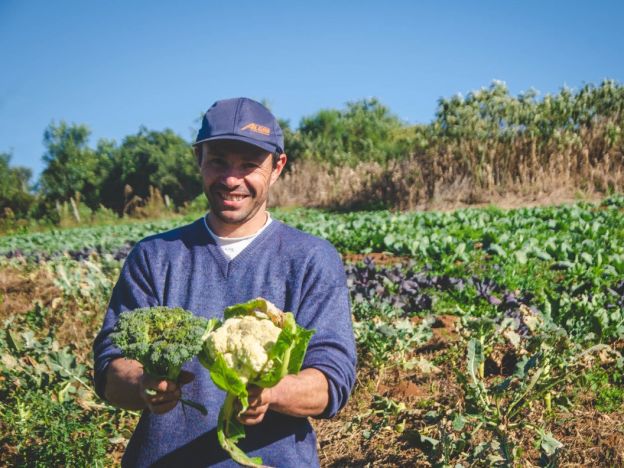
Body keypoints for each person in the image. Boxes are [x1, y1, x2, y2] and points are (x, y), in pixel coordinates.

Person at [93, 97, 357, 467]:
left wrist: (271, 392)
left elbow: (332, 380)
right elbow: (109, 366)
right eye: (218, 161)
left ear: (277, 166)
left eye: (249, 165)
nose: (232, 180)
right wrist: (141, 382)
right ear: (199, 158)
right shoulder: (155, 256)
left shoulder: (310, 258)